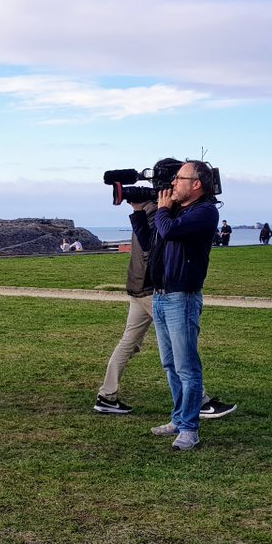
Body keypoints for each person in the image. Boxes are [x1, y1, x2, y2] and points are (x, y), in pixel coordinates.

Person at [94, 174, 237, 421]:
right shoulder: (161, 210)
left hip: (137, 285)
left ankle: (107, 396)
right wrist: (159, 210)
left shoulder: (157, 209)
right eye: (175, 180)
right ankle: (200, 402)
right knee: (179, 347)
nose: (174, 186)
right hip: (154, 287)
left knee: (131, 342)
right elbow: (158, 242)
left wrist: (141, 210)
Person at [136, 160, 219, 451]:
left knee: (187, 367)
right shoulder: (176, 211)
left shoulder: (205, 212)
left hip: (182, 297)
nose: (172, 184)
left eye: (179, 179)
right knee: (170, 364)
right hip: (160, 295)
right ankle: (178, 418)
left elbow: (169, 231)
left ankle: (189, 429)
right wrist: (139, 212)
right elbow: (152, 242)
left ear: (196, 184)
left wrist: (162, 210)